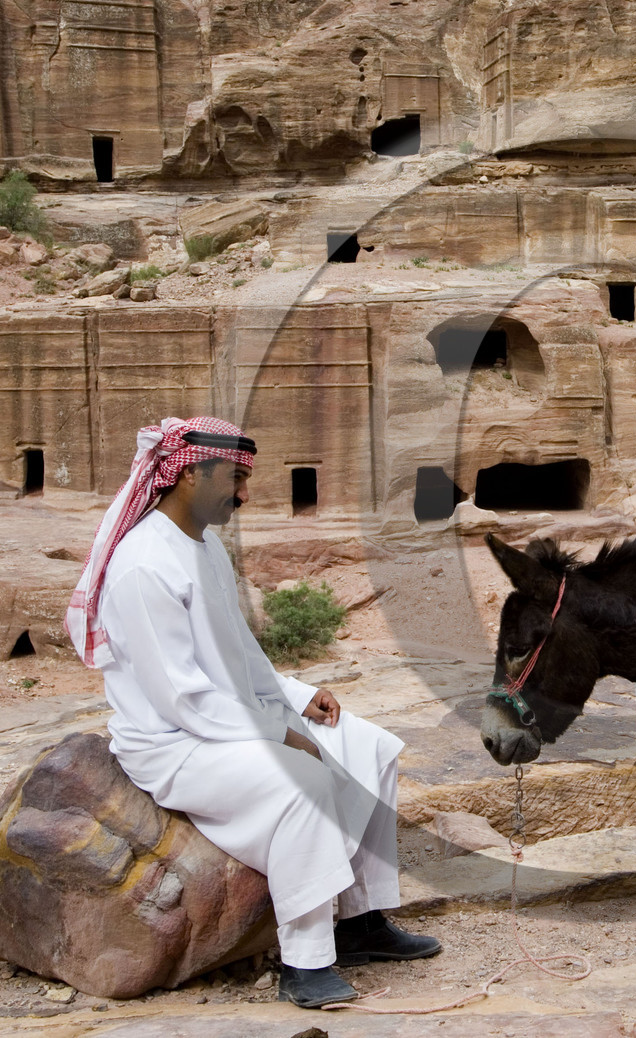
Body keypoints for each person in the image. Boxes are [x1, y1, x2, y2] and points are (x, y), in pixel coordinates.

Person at [65, 416, 439, 1008]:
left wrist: (294, 697)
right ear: (190, 474)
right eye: (235, 478)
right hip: (174, 746)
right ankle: (306, 962)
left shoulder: (204, 547)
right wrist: (279, 735)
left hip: (226, 723)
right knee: (306, 780)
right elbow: (180, 696)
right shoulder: (143, 566)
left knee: (371, 746)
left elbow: (234, 649)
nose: (244, 494)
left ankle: (362, 923)